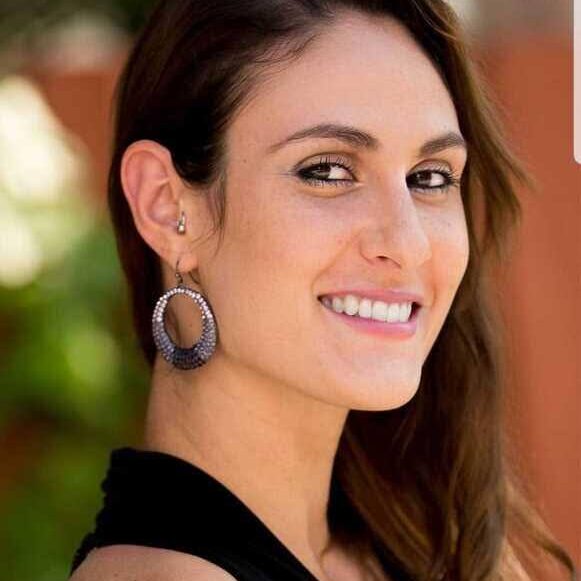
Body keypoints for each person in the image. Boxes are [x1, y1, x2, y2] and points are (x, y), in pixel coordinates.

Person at [68, 1, 576, 580]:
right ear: (166, 205)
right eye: (328, 171)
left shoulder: (392, 544)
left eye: (430, 177)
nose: (408, 243)